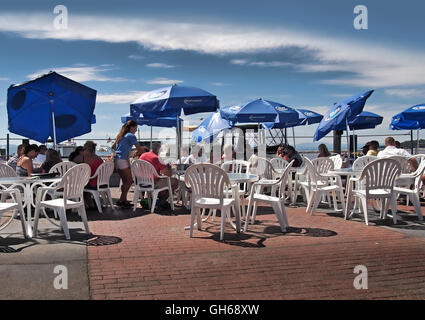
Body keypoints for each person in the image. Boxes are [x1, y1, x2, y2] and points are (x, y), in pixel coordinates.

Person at [112, 120, 145, 208]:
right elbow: (139, 149)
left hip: (117, 159)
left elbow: (113, 147)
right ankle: (121, 200)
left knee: (125, 181)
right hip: (123, 160)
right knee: (130, 181)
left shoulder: (121, 135)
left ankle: (124, 200)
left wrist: (127, 151)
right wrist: (147, 152)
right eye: (136, 128)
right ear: (131, 127)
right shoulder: (131, 135)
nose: (136, 130)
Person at [139, 142, 178, 210]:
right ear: (159, 150)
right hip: (153, 183)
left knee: (162, 182)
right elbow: (168, 174)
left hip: (141, 182)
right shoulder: (157, 158)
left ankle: (159, 201)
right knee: (175, 181)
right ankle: (161, 201)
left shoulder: (143, 155)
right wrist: (168, 168)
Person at [81, 141, 104, 209]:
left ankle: (84, 203)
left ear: (87, 149)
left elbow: (86, 173)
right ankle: (90, 202)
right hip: (100, 182)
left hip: (93, 183)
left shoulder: (89, 159)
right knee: (84, 182)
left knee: (79, 185)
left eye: (84, 149)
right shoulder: (99, 159)